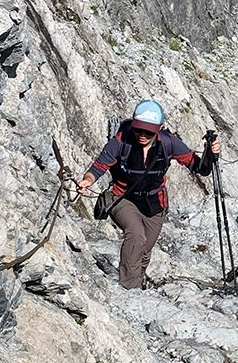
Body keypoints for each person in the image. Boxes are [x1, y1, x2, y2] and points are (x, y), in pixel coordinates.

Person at [76, 100, 220, 289]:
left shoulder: (168, 142)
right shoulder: (120, 142)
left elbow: (199, 168)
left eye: (149, 132)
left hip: (155, 202)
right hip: (123, 197)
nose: (142, 135)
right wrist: (87, 181)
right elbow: (98, 167)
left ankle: (138, 280)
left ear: (158, 129)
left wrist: (210, 154)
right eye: (138, 130)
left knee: (145, 249)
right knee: (136, 235)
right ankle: (130, 289)